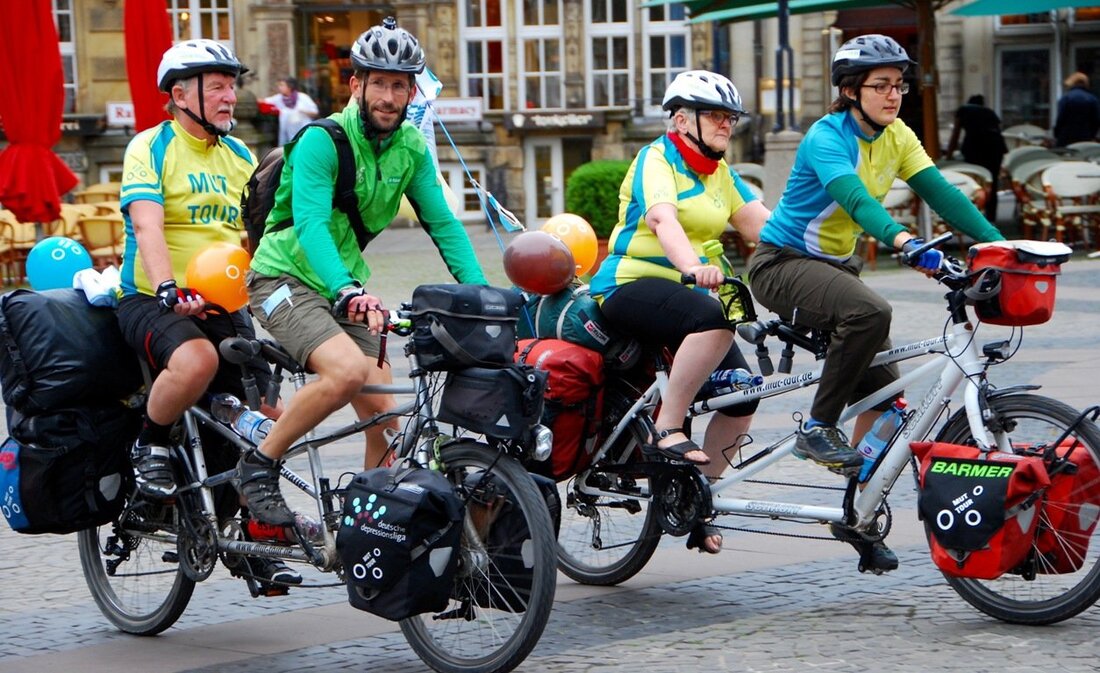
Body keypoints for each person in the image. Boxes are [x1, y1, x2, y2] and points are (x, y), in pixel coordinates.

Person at [746, 34, 1006, 571]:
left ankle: (857, 515)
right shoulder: (826, 137)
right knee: (869, 312)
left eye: (899, 85)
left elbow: (942, 193)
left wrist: (1001, 246)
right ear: (850, 90)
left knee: (887, 403)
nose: (894, 95)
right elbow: (858, 201)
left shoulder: (898, 135)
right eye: (881, 85)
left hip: (836, 271)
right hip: (782, 265)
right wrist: (905, 241)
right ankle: (817, 428)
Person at [240, 17, 488, 526]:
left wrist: (485, 297)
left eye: (399, 86)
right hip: (282, 279)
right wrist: (347, 289)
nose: (388, 97)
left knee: (387, 419)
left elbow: (444, 224)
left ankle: (366, 528)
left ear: (412, 92)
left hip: (345, 289)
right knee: (348, 372)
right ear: (356, 85)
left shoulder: (411, 149)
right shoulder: (321, 141)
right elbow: (311, 224)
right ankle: (259, 465)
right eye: (379, 83)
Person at [117, 40, 300, 586]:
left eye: (231, 86)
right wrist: (168, 288)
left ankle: (248, 531)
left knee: (268, 415)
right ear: (180, 95)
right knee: (197, 360)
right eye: (217, 86)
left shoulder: (241, 155)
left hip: (226, 303)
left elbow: (259, 238)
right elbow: (147, 225)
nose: (229, 96)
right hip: (151, 298)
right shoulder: (150, 147)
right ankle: (150, 444)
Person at [589, 70, 770, 555]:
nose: (726, 124)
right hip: (630, 283)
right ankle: (668, 427)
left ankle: (696, 499)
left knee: (742, 395)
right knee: (713, 317)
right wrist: (691, 266)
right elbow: (661, 218)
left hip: (691, 294)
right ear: (682, 119)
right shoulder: (657, 159)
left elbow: (761, 224)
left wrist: (816, 253)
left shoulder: (719, 172)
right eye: (716, 115)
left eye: (731, 117)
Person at [945, 94, 1008, 222]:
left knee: (975, 180)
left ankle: (974, 215)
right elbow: (998, 130)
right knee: (992, 182)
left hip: (975, 147)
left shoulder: (963, 110)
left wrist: (949, 155)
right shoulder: (989, 112)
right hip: (995, 148)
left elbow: (956, 133)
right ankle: (991, 218)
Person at [264, 76, 319, 146]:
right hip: (288, 135)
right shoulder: (278, 98)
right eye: (279, 85)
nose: (279, 88)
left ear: (289, 87)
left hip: (304, 132)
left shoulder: (303, 97)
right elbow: (265, 101)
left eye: (282, 85)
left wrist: (303, 111)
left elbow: (315, 112)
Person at [1053, 72, 1100, 148]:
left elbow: (1060, 119)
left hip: (1066, 137)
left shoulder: (1066, 98)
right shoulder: (1092, 99)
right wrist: (1092, 135)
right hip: (1085, 137)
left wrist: (1056, 134)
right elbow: (1096, 121)